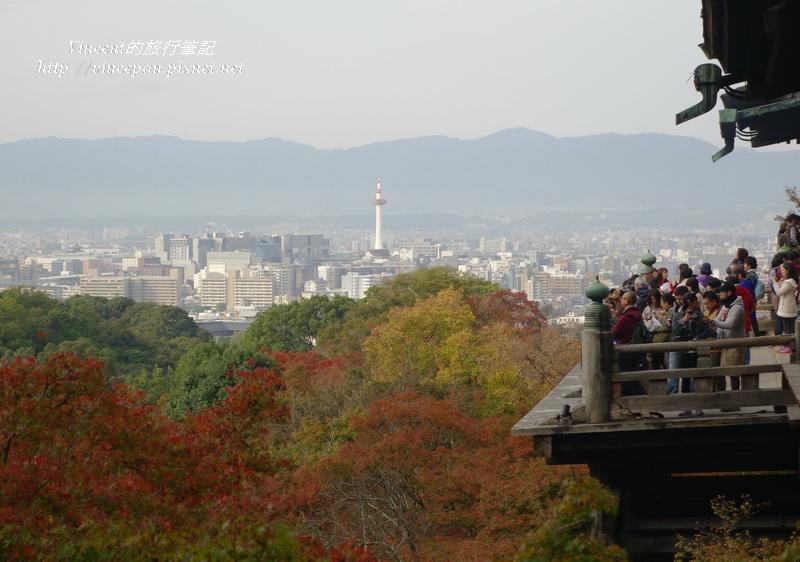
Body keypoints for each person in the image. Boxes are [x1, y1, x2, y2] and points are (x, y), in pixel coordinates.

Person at [706, 282, 746, 408]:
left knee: (733, 374)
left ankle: (735, 402)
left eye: (722, 292)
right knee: (726, 371)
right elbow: (718, 319)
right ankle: (729, 401)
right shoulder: (725, 306)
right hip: (725, 343)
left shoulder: (737, 307)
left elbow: (730, 325)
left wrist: (712, 322)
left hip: (734, 343)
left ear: (729, 293)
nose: (720, 294)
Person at [612, 291, 647, 395]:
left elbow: (615, 333)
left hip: (626, 350)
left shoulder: (625, 317)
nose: (621, 300)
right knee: (634, 376)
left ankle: (634, 399)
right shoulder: (637, 314)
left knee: (627, 377)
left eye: (622, 299)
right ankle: (640, 397)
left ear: (627, 301)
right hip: (637, 349)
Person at [774, 261, 799, 353]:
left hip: (787, 309)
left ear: (788, 271)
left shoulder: (789, 282)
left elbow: (780, 292)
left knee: (789, 329)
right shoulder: (788, 281)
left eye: (783, 269)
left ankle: (790, 346)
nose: (782, 271)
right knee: (787, 328)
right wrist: (779, 281)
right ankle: (787, 345)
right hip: (786, 308)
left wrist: (774, 283)